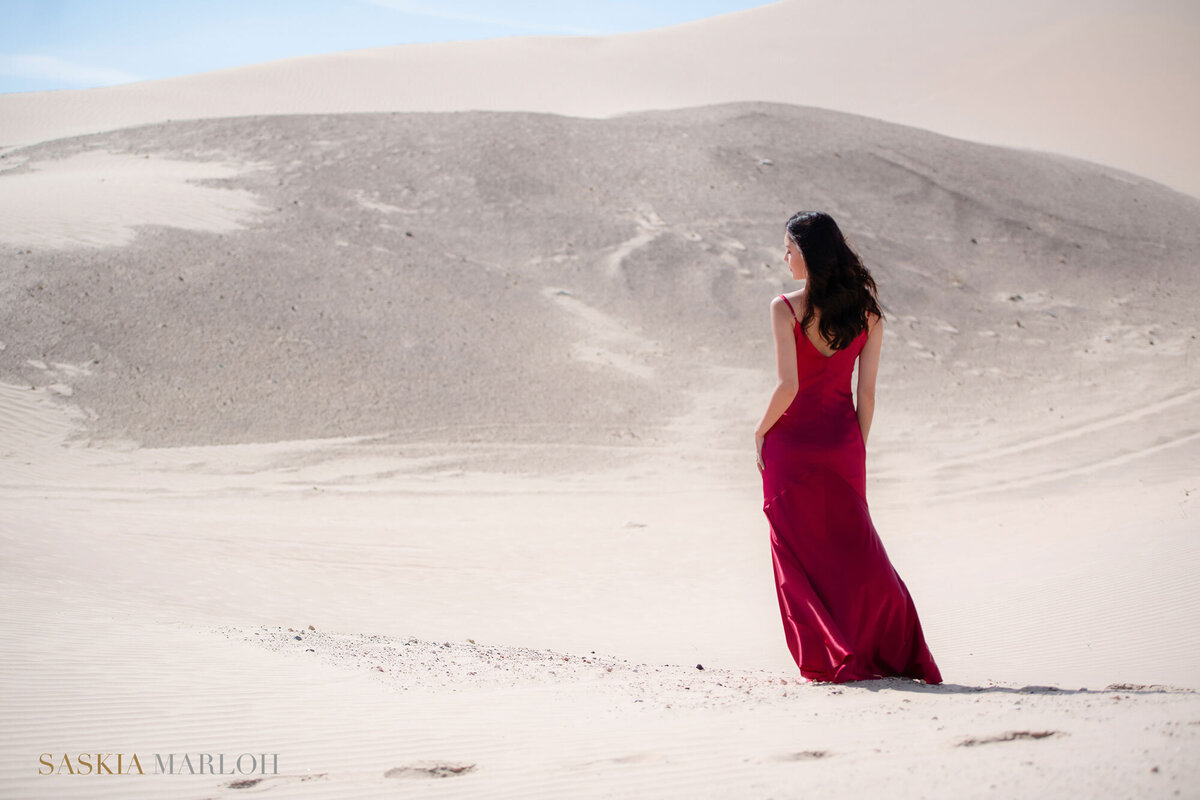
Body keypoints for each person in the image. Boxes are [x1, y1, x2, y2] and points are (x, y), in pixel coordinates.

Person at [754, 211, 942, 685]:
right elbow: (868, 395)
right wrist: (854, 446)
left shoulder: (784, 308)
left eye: (789, 248)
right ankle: (893, 646)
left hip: (791, 446)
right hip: (844, 445)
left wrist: (759, 432)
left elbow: (787, 386)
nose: (785, 257)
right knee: (856, 552)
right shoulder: (869, 314)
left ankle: (826, 656)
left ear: (808, 253)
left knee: (797, 552)